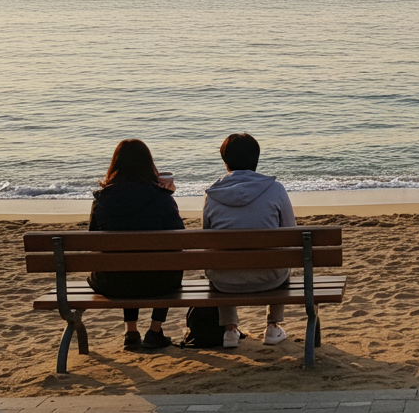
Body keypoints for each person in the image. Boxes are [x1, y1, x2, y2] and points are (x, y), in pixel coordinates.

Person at [87, 138, 185, 351]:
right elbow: (179, 239)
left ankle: (131, 331)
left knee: (125, 264)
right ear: (149, 165)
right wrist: (168, 194)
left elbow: (92, 238)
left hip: (112, 282)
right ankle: (155, 331)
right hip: (160, 284)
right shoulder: (162, 198)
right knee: (167, 263)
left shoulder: (102, 199)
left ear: (115, 165)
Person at [202, 132, 296, 348]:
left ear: (225, 163)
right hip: (271, 277)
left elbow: (207, 238)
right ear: (256, 160)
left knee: (218, 259)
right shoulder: (275, 189)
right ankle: (273, 327)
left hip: (225, 282)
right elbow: (290, 232)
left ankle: (230, 330)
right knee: (282, 257)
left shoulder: (212, 193)